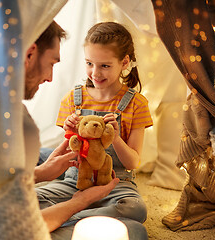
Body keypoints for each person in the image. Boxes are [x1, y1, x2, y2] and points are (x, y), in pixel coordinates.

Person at [36, 22, 153, 240]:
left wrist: (115, 137)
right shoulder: (73, 98)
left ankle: (67, 222)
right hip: (76, 180)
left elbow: (132, 163)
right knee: (30, 198)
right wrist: (71, 134)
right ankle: (85, 222)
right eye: (89, 63)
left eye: (105, 66)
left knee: (135, 209)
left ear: (124, 62)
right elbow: (69, 153)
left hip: (116, 184)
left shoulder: (136, 103)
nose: (95, 73)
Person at [24, 21, 120, 233]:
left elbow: (132, 160)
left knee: (132, 212)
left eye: (105, 65)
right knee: (131, 231)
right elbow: (20, 229)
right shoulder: (20, 125)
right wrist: (80, 201)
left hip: (102, 173)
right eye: (51, 63)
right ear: (30, 54)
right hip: (24, 227)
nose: (50, 78)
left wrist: (40, 173)